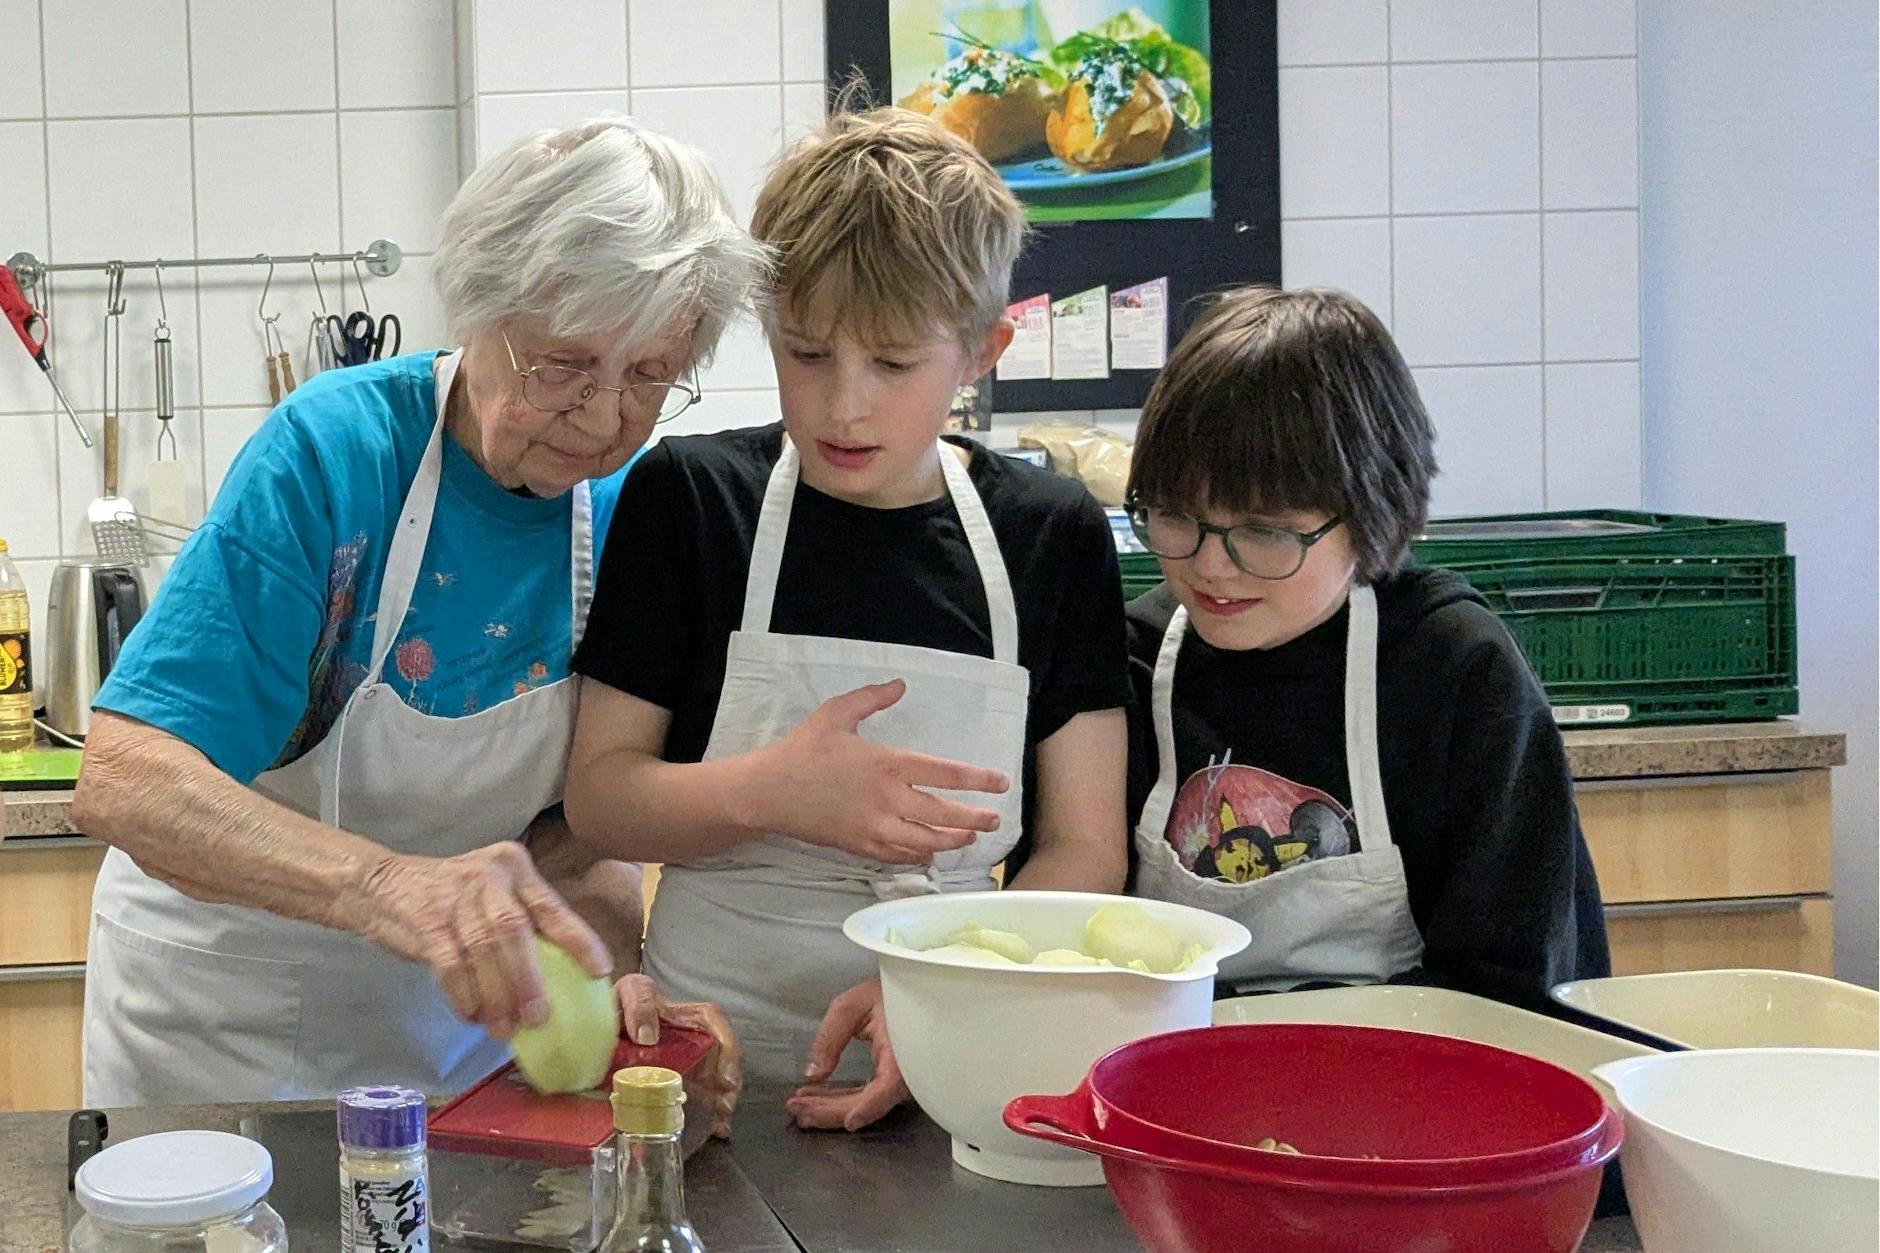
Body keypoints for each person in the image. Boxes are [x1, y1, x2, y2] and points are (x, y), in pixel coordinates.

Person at [71, 118, 767, 1123]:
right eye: (565, 364)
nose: (606, 415)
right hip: (222, 1036)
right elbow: (126, 777)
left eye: (649, 374)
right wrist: (388, 885)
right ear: (480, 307)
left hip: (452, 1055)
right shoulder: (335, 453)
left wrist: (617, 976)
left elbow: (572, 834)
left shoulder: (627, 513)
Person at [565, 106, 1131, 1131]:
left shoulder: (1047, 534)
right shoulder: (693, 499)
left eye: (893, 363)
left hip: (953, 1052)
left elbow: (1084, 845)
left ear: (980, 350)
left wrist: (942, 984)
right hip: (700, 1058)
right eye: (806, 353)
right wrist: (769, 791)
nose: (843, 406)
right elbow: (600, 799)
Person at [1122, 285, 1609, 1011]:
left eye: (1264, 528)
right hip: (1171, 1088)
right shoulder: (1133, 658)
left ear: (1371, 511)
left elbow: (1514, 988)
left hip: (1422, 1091)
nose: (1211, 565)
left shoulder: (1453, 670)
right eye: (1176, 516)